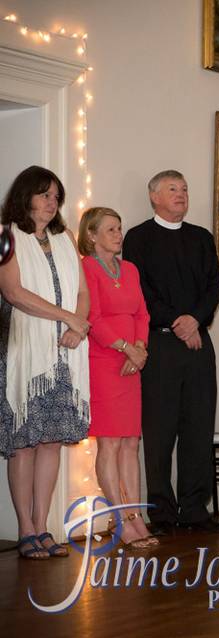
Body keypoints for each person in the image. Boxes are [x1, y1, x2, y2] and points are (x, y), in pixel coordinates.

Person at [122, 170, 219, 535]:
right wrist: (177, 322)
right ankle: (162, 513)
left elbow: (215, 286)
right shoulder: (137, 238)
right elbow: (141, 291)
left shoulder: (201, 237)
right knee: (160, 431)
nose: (181, 194)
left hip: (198, 342)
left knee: (198, 427)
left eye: (184, 188)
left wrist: (194, 320)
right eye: (172, 189)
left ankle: (196, 509)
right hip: (160, 344)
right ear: (154, 197)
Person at [0, 166, 91, 559]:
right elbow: (14, 291)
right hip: (26, 352)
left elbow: (83, 292)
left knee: (51, 441)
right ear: (25, 197)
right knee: (24, 443)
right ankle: (25, 529)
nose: (52, 203)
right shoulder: (7, 236)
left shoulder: (66, 237)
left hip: (65, 352)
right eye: (44, 195)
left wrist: (78, 325)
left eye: (56, 196)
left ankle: (43, 525)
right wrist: (66, 317)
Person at [78, 207, 156, 549]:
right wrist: (125, 348)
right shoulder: (87, 267)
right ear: (91, 235)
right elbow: (92, 316)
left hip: (131, 363)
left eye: (119, 228)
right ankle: (120, 520)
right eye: (110, 229)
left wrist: (138, 349)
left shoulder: (131, 269)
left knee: (130, 442)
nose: (118, 234)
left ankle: (137, 517)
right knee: (109, 442)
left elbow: (142, 312)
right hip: (105, 360)